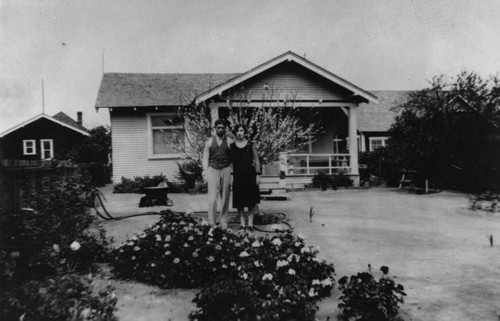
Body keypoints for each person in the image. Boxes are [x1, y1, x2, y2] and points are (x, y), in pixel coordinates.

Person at [202, 119, 233, 228]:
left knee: (225, 195)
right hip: (213, 169)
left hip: (226, 169)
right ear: (215, 129)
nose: (220, 129)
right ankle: (212, 221)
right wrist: (205, 171)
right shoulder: (209, 141)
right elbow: (205, 158)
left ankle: (223, 220)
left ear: (225, 129)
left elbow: (233, 158)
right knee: (212, 197)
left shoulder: (229, 142)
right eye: (218, 127)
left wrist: (232, 172)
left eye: (222, 128)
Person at [230, 124, 260, 232]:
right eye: (237, 131)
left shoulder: (251, 145)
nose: (239, 133)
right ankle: (242, 224)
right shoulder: (232, 146)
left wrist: (258, 174)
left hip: (250, 176)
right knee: (239, 202)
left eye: (241, 130)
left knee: (251, 201)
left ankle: (250, 224)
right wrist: (232, 176)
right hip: (238, 177)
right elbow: (231, 163)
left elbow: (256, 160)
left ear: (245, 132)